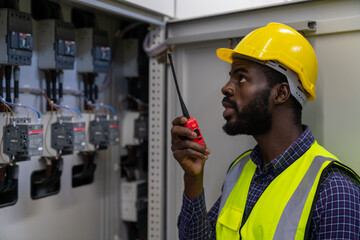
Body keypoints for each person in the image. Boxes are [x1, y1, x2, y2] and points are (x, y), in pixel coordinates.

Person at [171, 22, 360, 239]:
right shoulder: (239, 171)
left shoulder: (335, 193)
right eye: (231, 76)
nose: (226, 87)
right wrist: (193, 178)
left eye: (241, 78)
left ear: (281, 93)